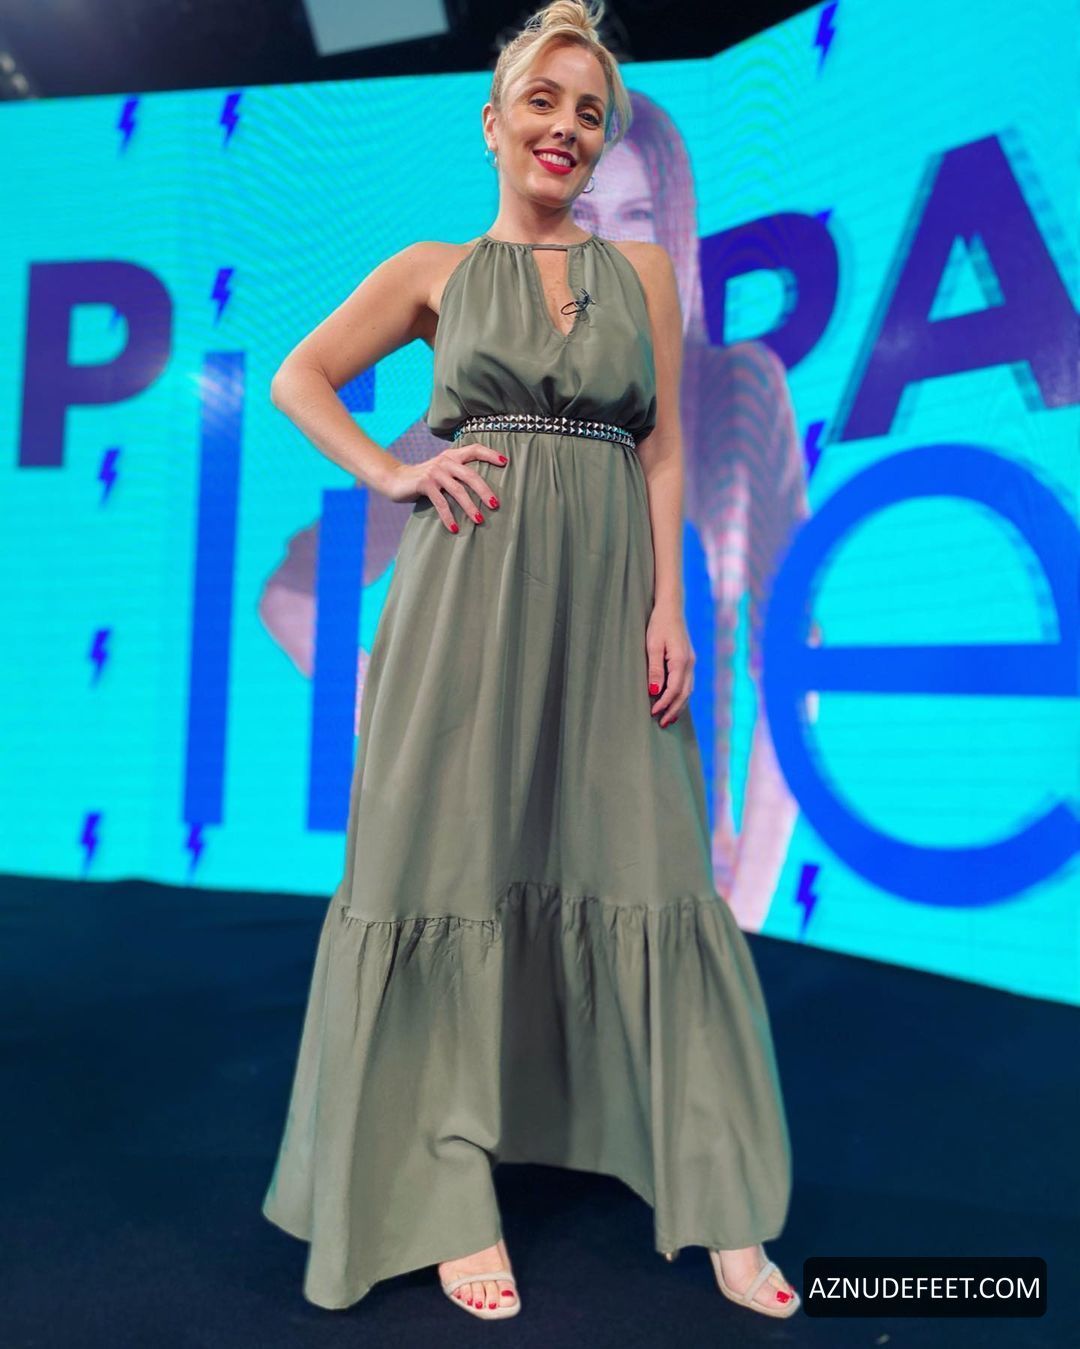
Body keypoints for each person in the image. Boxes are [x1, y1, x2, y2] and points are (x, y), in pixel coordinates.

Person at [261, 0, 800, 1321]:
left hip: (612, 609)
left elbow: (664, 451)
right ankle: (448, 1194)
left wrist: (670, 607)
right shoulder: (433, 270)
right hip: (463, 609)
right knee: (443, 875)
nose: (568, 127)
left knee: (657, 876)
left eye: (591, 112)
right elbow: (298, 377)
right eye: (545, 102)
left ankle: (721, 1200)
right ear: (493, 120)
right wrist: (395, 470)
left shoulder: (645, 276)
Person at [258, 84, 813, 934]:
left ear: (674, 228)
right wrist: (389, 701)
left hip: (654, 833)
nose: (616, 242)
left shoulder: (734, 393)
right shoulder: (480, 396)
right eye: (592, 211)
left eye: (641, 214)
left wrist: (748, 898)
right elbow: (292, 592)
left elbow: (789, 650)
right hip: (491, 811)